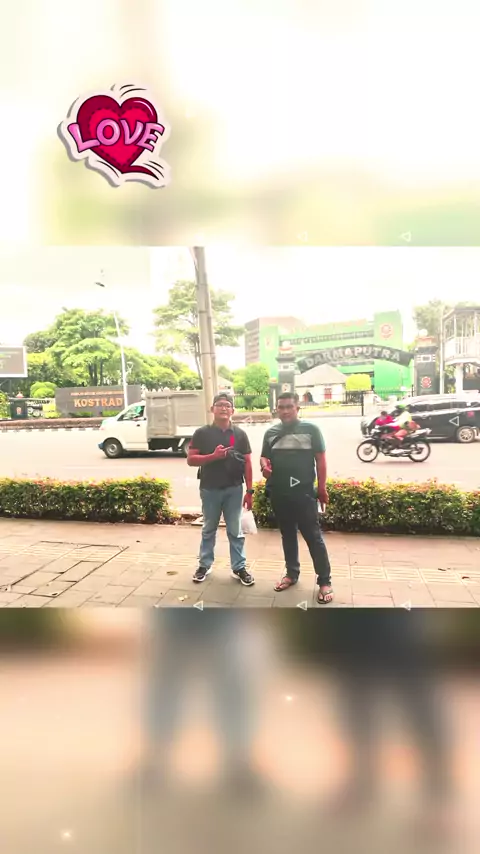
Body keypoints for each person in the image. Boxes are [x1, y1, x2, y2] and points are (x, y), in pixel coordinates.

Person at [260, 391, 333, 604]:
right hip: (279, 493)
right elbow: (264, 457)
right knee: (288, 535)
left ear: (297, 408)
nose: (284, 411)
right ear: (276, 410)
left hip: (304, 493)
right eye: (281, 407)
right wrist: (264, 466)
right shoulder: (271, 432)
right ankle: (292, 574)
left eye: (289, 407)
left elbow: (321, 460)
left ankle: (325, 581)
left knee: (313, 537)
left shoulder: (311, 430)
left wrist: (322, 488)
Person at [187, 393, 255, 586]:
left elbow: (248, 463)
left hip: (234, 489)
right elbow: (191, 460)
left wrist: (250, 491)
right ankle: (204, 565)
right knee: (209, 529)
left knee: (235, 530)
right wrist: (213, 456)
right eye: (219, 405)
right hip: (210, 489)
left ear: (232, 410)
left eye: (227, 405)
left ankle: (239, 567)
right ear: (212, 409)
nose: (223, 408)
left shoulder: (240, 434)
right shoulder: (202, 433)